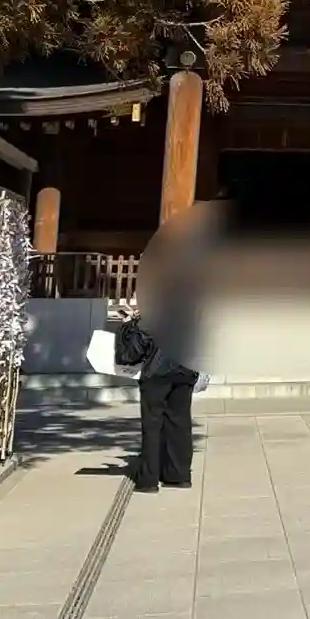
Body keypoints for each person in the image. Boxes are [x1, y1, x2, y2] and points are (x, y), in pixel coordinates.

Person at [132, 206, 211, 492]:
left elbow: (151, 324)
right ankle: (179, 475)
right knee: (179, 420)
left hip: (158, 364)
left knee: (152, 422)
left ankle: (148, 479)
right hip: (185, 362)